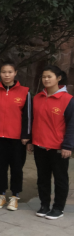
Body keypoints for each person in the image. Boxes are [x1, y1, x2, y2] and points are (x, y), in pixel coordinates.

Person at [29, 66, 74, 220]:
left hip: (58, 147)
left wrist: (67, 145)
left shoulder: (68, 100)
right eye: (44, 77)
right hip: (39, 145)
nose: (46, 79)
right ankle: (44, 205)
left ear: (58, 78)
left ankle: (58, 208)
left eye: (49, 76)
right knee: (42, 178)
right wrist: (31, 141)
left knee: (60, 179)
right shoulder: (37, 98)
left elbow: (71, 125)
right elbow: (33, 121)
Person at [0, 61, 31, 212]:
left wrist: (26, 135)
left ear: (15, 73)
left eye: (10, 72)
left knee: (17, 168)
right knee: (0, 167)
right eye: (4, 72)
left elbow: (28, 116)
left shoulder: (25, 92)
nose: (7, 75)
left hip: (17, 139)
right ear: (0, 73)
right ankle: (1, 195)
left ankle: (15, 196)